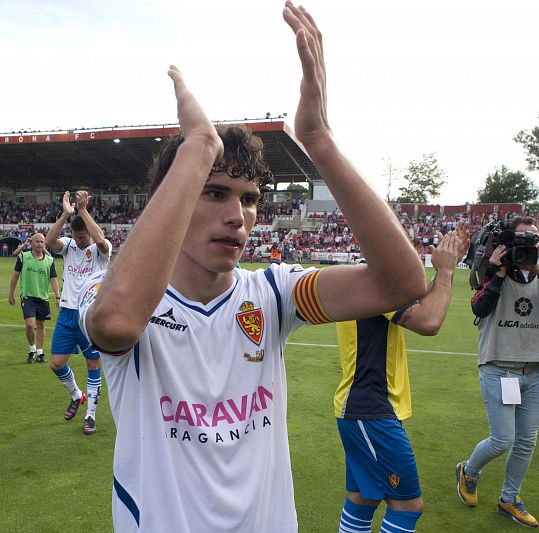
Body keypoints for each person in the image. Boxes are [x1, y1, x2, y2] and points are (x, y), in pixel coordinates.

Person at [77, 3, 426, 531]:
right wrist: (196, 150)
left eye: (250, 198)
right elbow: (117, 325)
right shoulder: (113, 294)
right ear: (174, 197)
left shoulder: (273, 293)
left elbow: (402, 283)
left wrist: (320, 141)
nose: (238, 216)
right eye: (214, 192)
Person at [334, 228, 467, 533]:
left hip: (364, 408)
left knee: (362, 499)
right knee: (407, 506)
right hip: (371, 410)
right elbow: (429, 321)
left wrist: (443, 271)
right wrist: (445, 271)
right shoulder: (375, 284)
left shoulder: (367, 279)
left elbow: (423, 305)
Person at [456, 216, 539, 527]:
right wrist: (498, 271)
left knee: (527, 441)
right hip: (498, 367)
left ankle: (509, 499)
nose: (527, 244)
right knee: (502, 439)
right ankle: (469, 472)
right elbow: (479, 307)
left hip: (532, 370)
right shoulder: (494, 274)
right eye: (520, 238)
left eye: (533, 239)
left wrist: (536, 267)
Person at [45, 190, 112, 435]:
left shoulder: (100, 252)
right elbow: (51, 241)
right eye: (77, 236)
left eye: (83, 237)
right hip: (66, 314)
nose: (81, 240)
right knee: (56, 363)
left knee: (93, 363)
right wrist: (66, 214)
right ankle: (76, 395)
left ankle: (91, 416)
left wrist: (83, 210)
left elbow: (102, 242)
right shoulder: (69, 246)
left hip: (89, 315)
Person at [8, 232, 60, 364]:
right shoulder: (23, 257)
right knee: (30, 324)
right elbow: (15, 276)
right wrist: (11, 293)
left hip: (43, 297)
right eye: (37, 241)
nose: (39, 244)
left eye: (42, 242)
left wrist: (58, 296)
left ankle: (40, 352)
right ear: (31, 243)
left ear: (45, 244)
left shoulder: (49, 261)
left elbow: (53, 279)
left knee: (41, 325)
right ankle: (32, 349)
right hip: (28, 297)